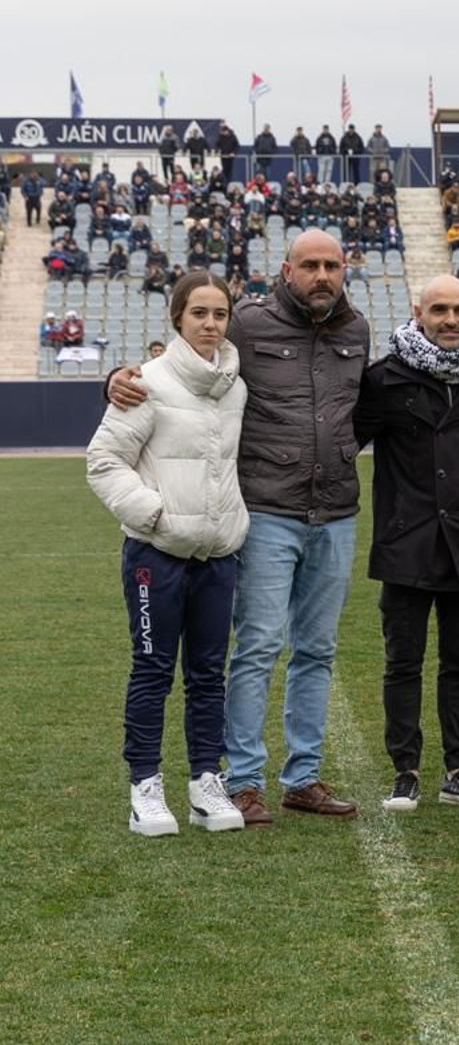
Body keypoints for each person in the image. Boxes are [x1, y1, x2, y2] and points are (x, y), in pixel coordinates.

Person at [107, 228, 369, 825]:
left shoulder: (356, 330)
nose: (322, 275)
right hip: (267, 509)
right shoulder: (247, 323)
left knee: (318, 649)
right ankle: (243, 780)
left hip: (335, 511)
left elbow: (359, 410)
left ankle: (303, 777)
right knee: (256, 647)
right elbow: (190, 363)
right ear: (286, 270)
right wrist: (120, 377)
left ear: (344, 270)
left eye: (331, 265)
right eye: (310, 265)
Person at [86, 272, 250, 837]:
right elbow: (103, 461)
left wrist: (228, 523)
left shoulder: (235, 387)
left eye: (220, 314)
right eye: (199, 313)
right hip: (156, 555)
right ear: (178, 317)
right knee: (153, 669)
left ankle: (206, 782)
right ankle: (145, 787)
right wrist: (153, 514)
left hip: (217, 555)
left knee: (207, 674)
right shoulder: (146, 382)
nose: (210, 324)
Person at [354, 276, 459, 813]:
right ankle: (406, 770)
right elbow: (347, 437)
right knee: (403, 663)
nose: (450, 320)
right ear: (418, 312)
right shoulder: (384, 378)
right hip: (407, 542)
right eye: (439, 309)